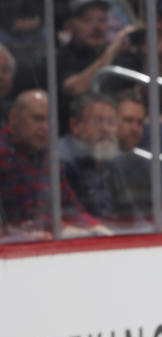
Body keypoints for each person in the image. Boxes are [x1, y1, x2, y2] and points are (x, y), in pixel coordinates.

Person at [0, 89, 109, 239]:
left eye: (49, 120)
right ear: (13, 117)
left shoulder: (48, 157)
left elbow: (69, 206)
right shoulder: (3, 154)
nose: (45, 127)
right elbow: (11, 225)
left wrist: (94, 226)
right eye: (38, 119)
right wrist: (58, 229)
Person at [59, 91, 144, 226]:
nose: (106, 129)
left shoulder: (112, 160)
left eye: (111, 122)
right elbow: (70, 217)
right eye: (97, 121)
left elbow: (131, 213)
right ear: (75, 126)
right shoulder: (62, 162)